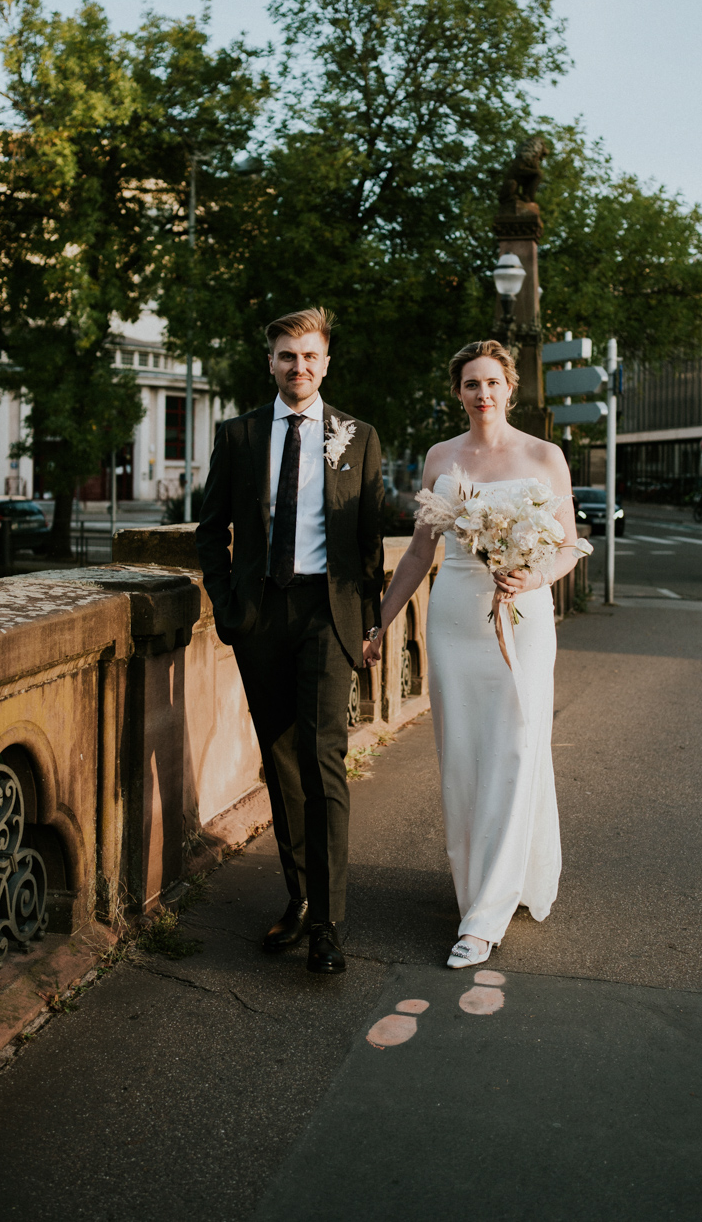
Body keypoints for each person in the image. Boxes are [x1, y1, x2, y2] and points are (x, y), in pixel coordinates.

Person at [364, 339, 582, 970]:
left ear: (510, 388)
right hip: (456, 620)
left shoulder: (545, 456)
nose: (482, 394)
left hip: (524, 619)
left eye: (492, 382)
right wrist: (379, 622)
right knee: (463, 758)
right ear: (456, 392)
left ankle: (483, 919)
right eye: (470, 384)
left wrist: (534, 578)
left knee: (516, 750)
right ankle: (477, 888)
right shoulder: (440, 457)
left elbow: (569, 546)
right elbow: (416, 554)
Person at [196, 307, 385, 975]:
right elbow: (209, 530)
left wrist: (372, 623)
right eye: (285, 356)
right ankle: (300, 897)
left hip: (328, 615)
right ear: (270, 362)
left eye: (309, 356)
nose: (297, 367)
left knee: (322, 757)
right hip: (262, 617)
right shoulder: (239, 435)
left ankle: (329, 925)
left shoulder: (358, 436)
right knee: (280, 762)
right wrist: (229, 610)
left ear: (326, 362)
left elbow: (366, 543)